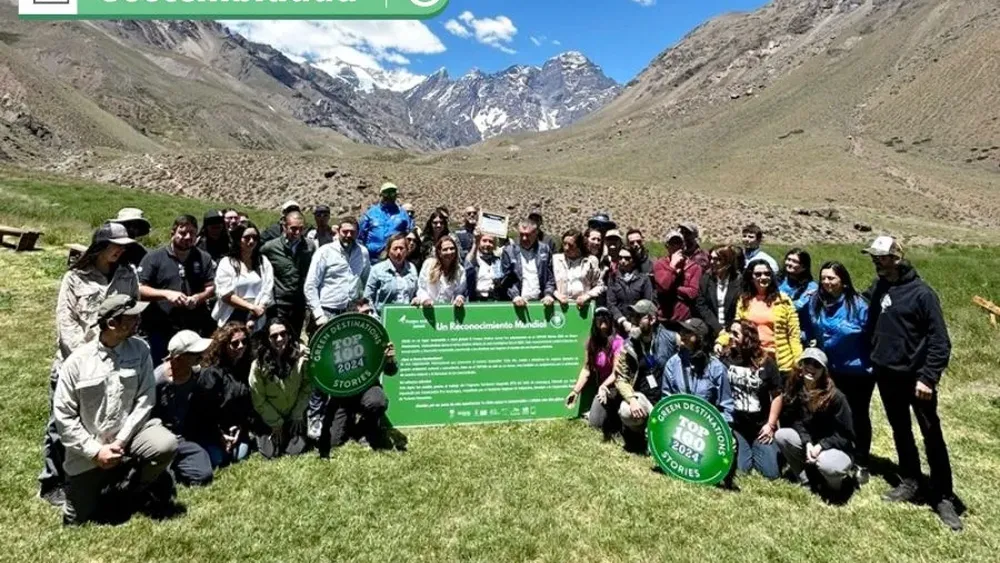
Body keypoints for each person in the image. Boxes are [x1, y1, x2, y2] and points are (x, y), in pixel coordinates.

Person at [861, 236, 962, 530]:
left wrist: (928, 377)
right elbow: (859, 307)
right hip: (886, 375)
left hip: (917, 380)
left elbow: (940, 342)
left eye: (881, 258)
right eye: (874, 258)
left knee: (931, 435)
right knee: (900, 430)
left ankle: (943, 496)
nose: (876, 262)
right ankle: (910, 481)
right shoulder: (879, 287)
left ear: (897, 258)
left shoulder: (922, 294)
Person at [53, 294, 178, 525]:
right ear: (112, 323)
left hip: (127, 438)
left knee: (165, 444)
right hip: (88, 451)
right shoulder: (77, 363)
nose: (138, 319)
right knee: (77, 520)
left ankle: (133, 488)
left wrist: (120, 441)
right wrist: (95, 451)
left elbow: (145, 399)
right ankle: (102, 481)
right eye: (131, 317)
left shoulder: (141, 350)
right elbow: (64, 417)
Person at [40, 222, 141, 506]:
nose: (120, 250)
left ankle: (92, 477)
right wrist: (86, 358)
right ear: (99, 246)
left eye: (124, 246)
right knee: (61, 425)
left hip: (116, 364)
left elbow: (134, 313)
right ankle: (52, 481)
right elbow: (66, 324)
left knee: (102, 422)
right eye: (115, 245)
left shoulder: (128, 275)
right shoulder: (75, 278)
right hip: (75, 364)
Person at [802, 261, 872, 483]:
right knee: (831, 412)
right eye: (823, 278)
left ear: (843, 280)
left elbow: (870, 333)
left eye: (831, 278)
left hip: (858, 369)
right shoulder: (816, 301)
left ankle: (860, 460)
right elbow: (809, 325)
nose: (826, 282)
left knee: (858, 415)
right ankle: (836, 451)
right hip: (830, 368)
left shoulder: (858, 304)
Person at [317, 300, 400, 456]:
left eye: (370, 312)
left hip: (367, 389)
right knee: (334, 441)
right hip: (342, 394)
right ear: (353, 316)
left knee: (377, 402)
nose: (369, 316)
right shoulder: (337, 337)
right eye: (364, 313)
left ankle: (365, 427)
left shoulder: (376, 338)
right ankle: (349, 419)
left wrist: (389, 360)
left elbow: (391, 371)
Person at [661, 318, 736, 485]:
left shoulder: (716, 368)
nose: (683, 336)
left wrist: (724, 434)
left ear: (700, 337)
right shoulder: (672, 364)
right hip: (678, 425)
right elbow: (666, 400)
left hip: (705, 430)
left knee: (733, 443)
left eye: (688, 333)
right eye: (681, 332)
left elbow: (727, 406)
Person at [775, 348, 856, 499]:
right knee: (782, 435)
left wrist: (821, 446)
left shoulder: (836, 397)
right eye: (807, 362)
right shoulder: (798, 389)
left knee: (827, 464)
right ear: (801, 365)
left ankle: (833, 489)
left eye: (817, 365)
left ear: (824, 371)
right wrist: (808, 444)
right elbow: (797, 422)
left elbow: (845, 435)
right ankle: (806, 480)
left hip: (837, 448)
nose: (811, 367)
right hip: (812, 444)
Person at [138, 215, 217, 365]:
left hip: (193, 328)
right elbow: (139, 290)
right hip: (160, 328)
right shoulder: (154, 258)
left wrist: (198, 298)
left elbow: (211, 287)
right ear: (172, 233)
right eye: (182, 233)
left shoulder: (204, 258)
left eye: (192, 233)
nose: (187, 237)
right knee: (160, 370)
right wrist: (165, 294)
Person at [613, 300, 680, 451]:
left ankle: (654, 434)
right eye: (632, 316)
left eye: (639, 316)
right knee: (626, 410)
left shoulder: (672, 338)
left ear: (652, 319)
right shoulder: (628, 345)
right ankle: (641, 431)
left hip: (667, 400)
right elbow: (621, 379)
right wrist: (631, 399)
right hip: (643, 399)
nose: (633, 321)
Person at [153, 330, 217, 487]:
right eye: (195, 354)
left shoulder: (196, 374)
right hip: (161, 439)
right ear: (178, 358)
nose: (200, 357)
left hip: (185, 436)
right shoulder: (157, 380)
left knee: (206, 471)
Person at [721, 321, 781, 480]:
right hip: (737, 426)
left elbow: (777, 395)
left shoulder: (766, 362)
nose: (731, 337)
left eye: (736, 334)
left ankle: (759, 449)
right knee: (741, 471)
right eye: (730, 333)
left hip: (760, 427)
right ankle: (747, 450)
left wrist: (771, 425)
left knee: (771, 473)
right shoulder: (726, 358)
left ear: (747, 338)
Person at [727, 259, 802, 376]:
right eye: (758, 274)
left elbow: (794, 335)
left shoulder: (784, 300)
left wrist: (797, 361)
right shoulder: (744, 300)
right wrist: (721, 342)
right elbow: (736, 327)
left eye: (767, 274)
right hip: (753, 360)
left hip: (780, 363)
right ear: (751, 277)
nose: (763, 277)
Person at [249, 319, 311, 459]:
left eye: (283, 334)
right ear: (267, 338)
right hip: (269, 417)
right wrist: (275, 422)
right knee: (270, 454)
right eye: (274, 336)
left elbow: (307, 387)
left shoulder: (301, 357)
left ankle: (293, 431)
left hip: (294, 414)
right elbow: (258, 399)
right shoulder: (258, 365)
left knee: (294, 451)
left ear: (289, 335)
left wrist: (297, 413)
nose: (280, 339)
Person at [199, 323, 255, 468]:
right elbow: (205, 412)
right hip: (213, 427)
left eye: (244, 341)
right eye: (235, 343)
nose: (241, 346)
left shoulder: (247, 367)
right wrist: (220, 435)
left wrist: (240, 428)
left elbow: (247, 405)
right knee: (219, 460)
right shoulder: (211, 372)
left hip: (237, 426)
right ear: (223, 345)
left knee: (239, 457)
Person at [565, 308, 625, 437]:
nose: (603, 323)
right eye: (599, 319)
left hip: (615, 385)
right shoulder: (591, 342)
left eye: (605, 319)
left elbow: (617, 373)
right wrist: (575, 391)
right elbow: (587, 369)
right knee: (595, 423)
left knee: (610, 423)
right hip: (601, 388)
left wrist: (604, 386)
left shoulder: (618, 341)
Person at [305, 217, 371, 327]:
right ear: (338, 231)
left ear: (358, 233)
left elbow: (366, 280)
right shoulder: (324, 252)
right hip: (327, 311)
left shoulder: (363, 252)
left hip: (352, 311)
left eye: (352, 232)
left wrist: (364, 303)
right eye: (345, 232)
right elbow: (310, 285)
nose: (348, 235)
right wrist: (318, 314)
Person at [212, 221, 273, 332]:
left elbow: (268, 289)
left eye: (255, 237)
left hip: (257, 315)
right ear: (238, 240)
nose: (251, 241)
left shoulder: (263, 261)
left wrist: (256, 312)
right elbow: (225, 294)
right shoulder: (227, 263)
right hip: (232, 315)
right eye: (247, 238)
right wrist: (251, 308)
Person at [260, 210, 312, 339]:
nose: (297, 233)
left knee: (294, 338)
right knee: (278, 338)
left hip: (299, 303)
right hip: (279, 304)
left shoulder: (310, 246)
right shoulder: (270, 247)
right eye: (293, 228)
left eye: (301, 229)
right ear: (284, 227)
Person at [500, 218, 556, 307]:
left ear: (536, 233)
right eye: (521, 234)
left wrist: (548, 294)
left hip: (541, 301)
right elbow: (506, 278)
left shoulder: (545, 249)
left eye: (528, 235)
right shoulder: (509, 251)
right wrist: (515, 296)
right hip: (518, 301)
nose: (524, 238)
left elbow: (550, 276)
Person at [653, 230, 703, 324]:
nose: (676, 246)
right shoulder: (660, 264)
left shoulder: (694, 267)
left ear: (683, 245)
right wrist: (672, 267)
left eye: (678, 243)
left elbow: (693, 293)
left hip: (685, 321)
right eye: (672, 243)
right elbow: (664, 286)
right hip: (664, 320)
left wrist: (672, 290)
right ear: (667, 246)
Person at [364, 233, 419, 316]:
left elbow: (416, 292)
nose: (398, 252)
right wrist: (374, 317)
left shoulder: (412, 268)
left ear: (407, 250)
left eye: (401, 248)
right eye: (395, 249)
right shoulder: (377, 270)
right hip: (383, 319)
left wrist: (417, 299)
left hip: (407, 319)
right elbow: (368, 298)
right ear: (388, 251)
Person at [358, 182, 413, 263]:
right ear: (381, 194)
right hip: (372, 258)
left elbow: (409, 234)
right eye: (386, 193)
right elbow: (360, 236)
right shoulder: (371, 213)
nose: (389, 196)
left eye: (392, 193)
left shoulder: (402, 214)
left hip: (395, 258)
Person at [695, 245, 741, 338]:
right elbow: (701, 305)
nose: (712, 262)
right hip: (712, 329)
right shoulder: (706, 279)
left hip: (733, 330)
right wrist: (718, 328)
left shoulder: (739, 281)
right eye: (711, 258)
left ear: (728, 261)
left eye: (717, 259)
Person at [606, 247, 654, 335]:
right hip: (618, 326)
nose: (623, 261)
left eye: (627, 258)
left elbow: (648, 303)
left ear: (634, 260)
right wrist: (622, 321)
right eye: (620, 258)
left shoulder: (643, 279)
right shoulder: (612, 278)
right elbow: (611, 304)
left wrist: (640, 323)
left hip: (639, 325)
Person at [553, 229, 604, 310]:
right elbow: (549, 284)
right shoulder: (555, 260)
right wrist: (558, 295)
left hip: (583, 306)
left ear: (579, 246)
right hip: (560, 306)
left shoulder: (590, 261)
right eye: (564, 244)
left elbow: (599, 286)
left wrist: (587, 296)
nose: (566, 248)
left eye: (571, 245)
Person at [416, 236, 467, 307]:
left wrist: (459, 298)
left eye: (452, 249)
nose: (449, 252)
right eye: (445, 249)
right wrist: (425, 299)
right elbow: (421, 289)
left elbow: (459, 292)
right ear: (439, 252)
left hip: (449, 310)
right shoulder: (428, 265)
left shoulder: (460, 270)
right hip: (429, 308)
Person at [778, 248, 819, 329]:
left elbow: (797, 307)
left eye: (794, 261)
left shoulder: (811, 287)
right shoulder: (777, 281)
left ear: (803, 267)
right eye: (788, 259)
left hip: (802, 332)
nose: (789, 263)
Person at [464, 231, 504, 302]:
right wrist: (475, 242)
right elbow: (468, 261)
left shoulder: (497, 261)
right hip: (476, 299)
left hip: (493, 299)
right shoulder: (475, 259)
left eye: (490, 242)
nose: (487, 244)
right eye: (484, 241)